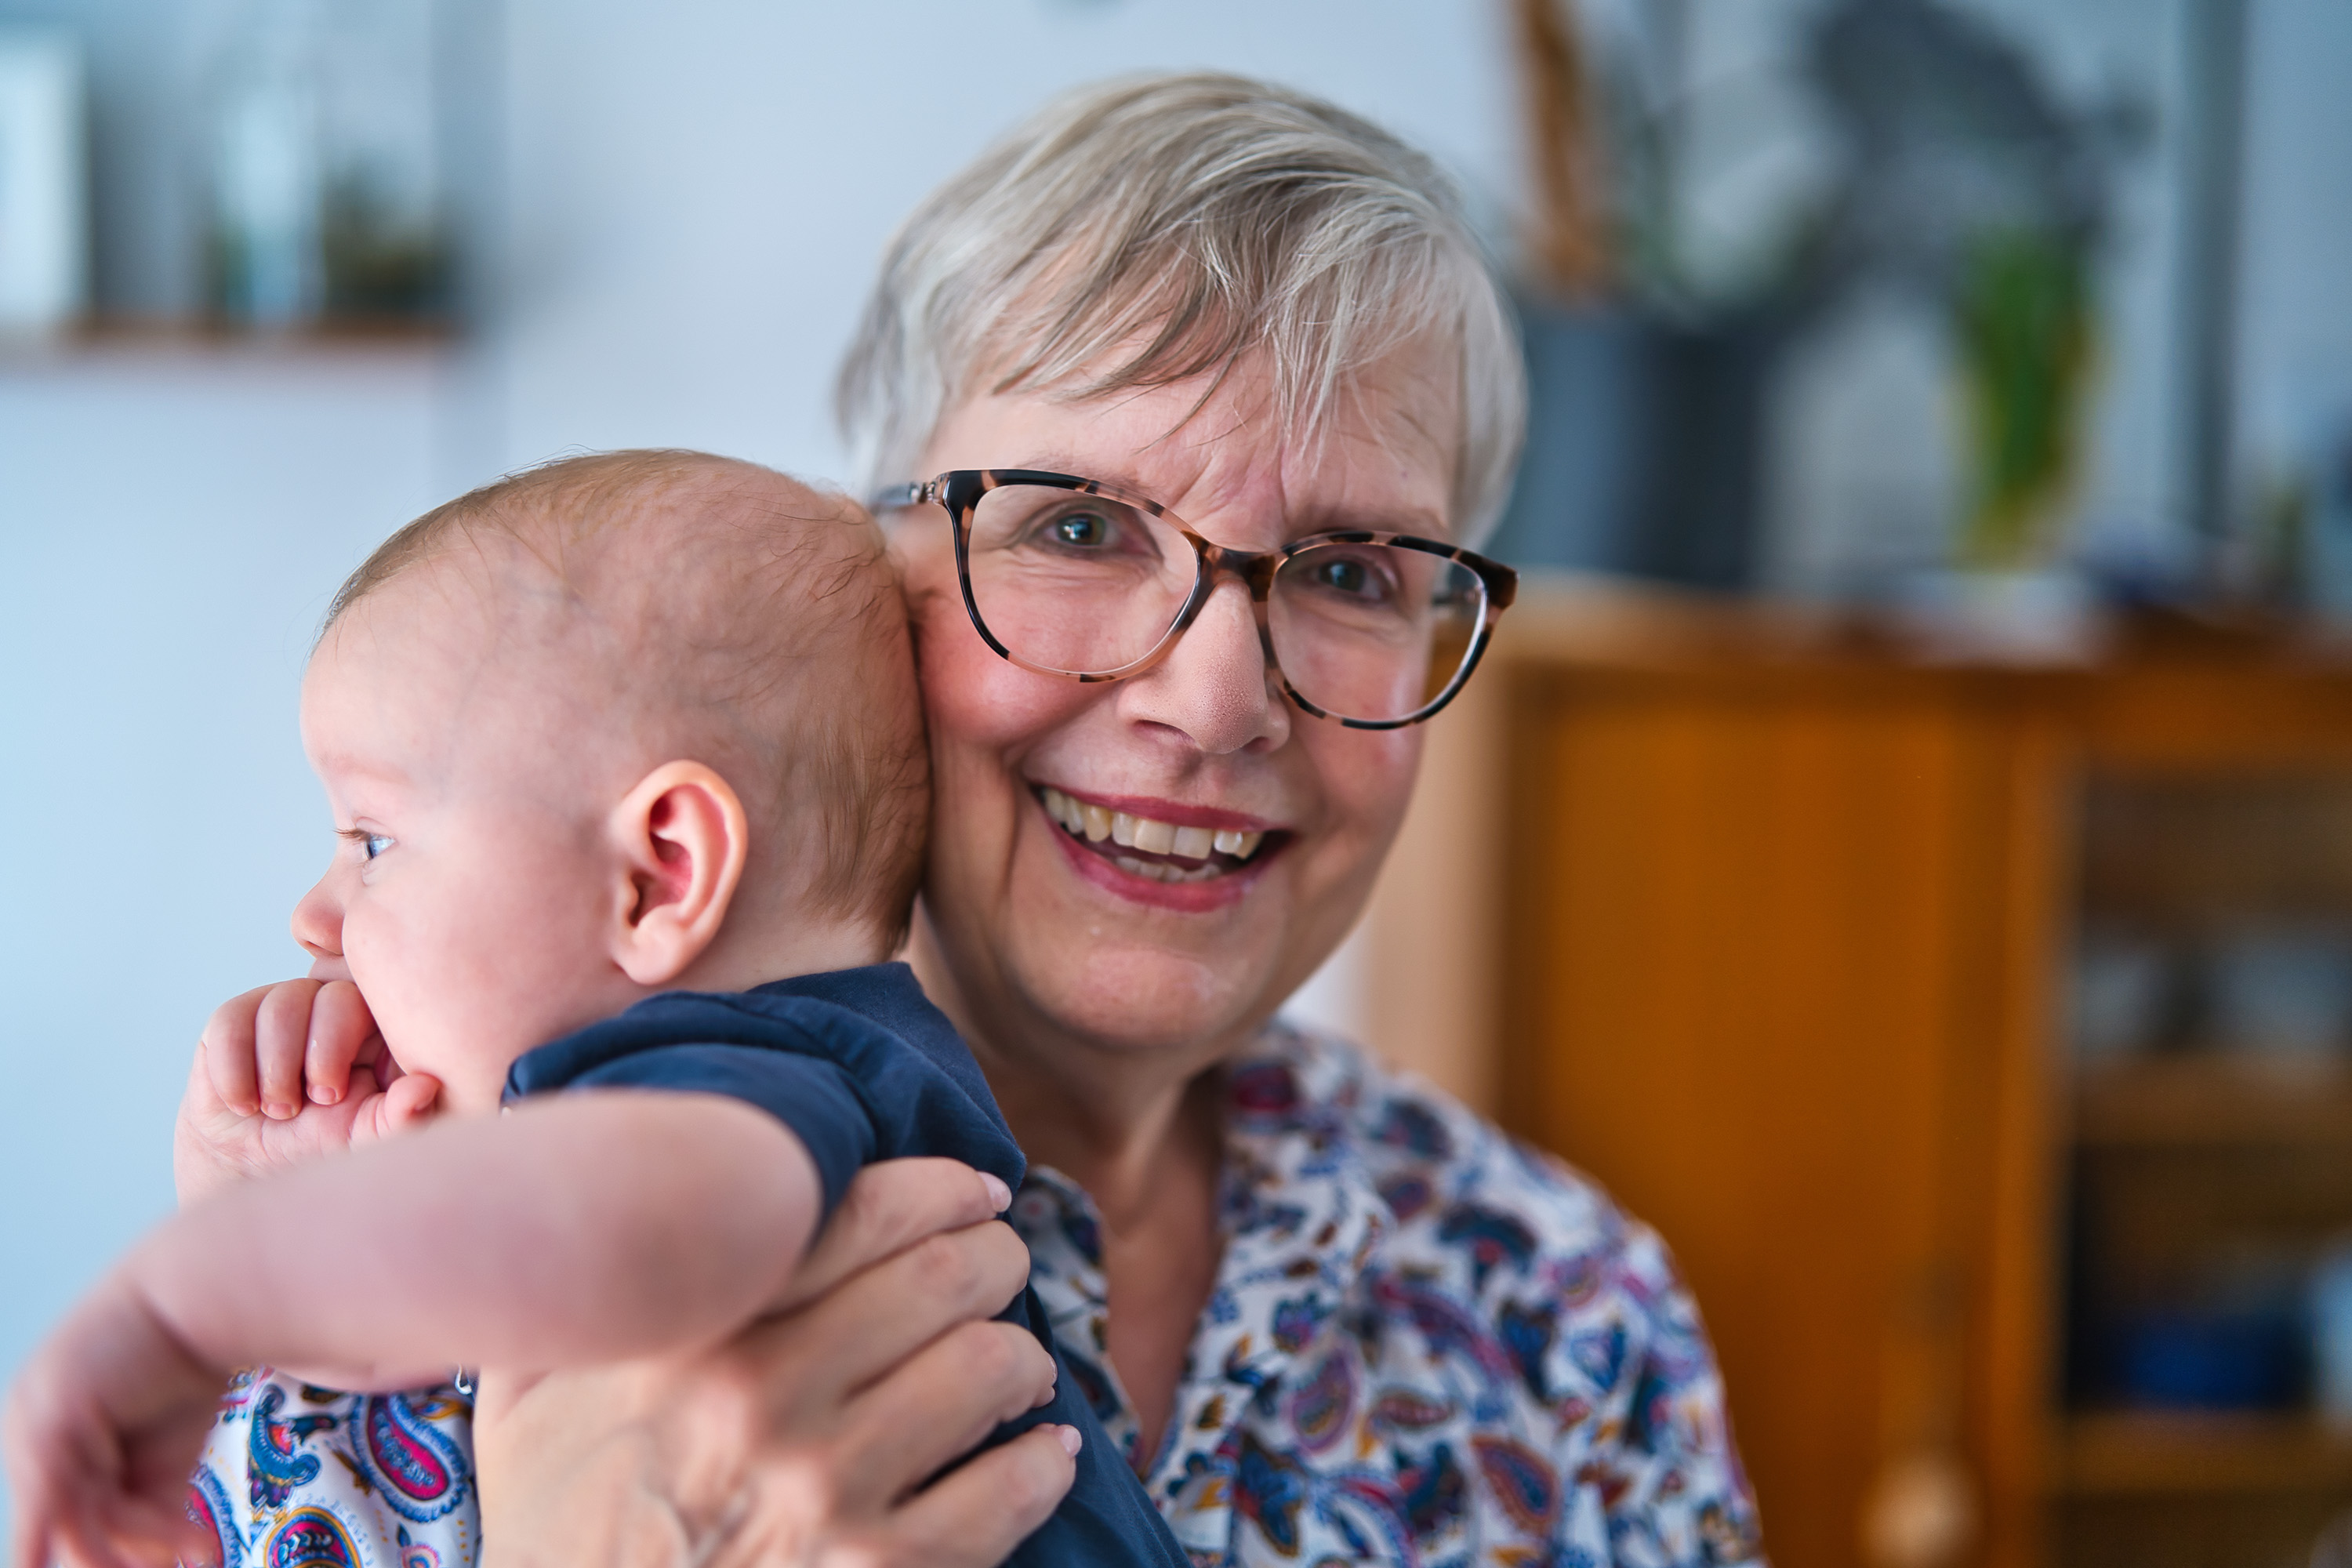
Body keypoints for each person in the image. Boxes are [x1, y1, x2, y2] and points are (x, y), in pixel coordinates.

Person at [193, 74, 1768, 1566]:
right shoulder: (384, 1284)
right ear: (869, 577)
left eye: (1354, 570)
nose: (1218, 700)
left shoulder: (1568, 1314)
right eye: (1076, 526)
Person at [0, 453, 1187, 1568]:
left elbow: (614, 1233)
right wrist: (273, 1211)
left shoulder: (747, 1072)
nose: (316, 915)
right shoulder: (776, 1098)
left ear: (659, 875)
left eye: (375, 840)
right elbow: (443, 1339)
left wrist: (187, 1291)